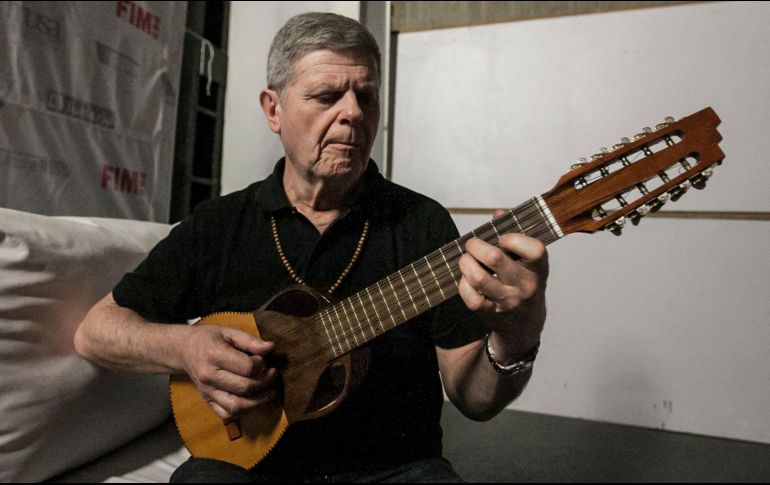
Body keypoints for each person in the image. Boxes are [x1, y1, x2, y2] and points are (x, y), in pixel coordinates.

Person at [74, 12, 548, 483]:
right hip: (244, 465)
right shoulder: (219, 224)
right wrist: (185, 347)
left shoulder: (423, 224)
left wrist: (518, 333)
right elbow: (96, 331)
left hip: (395, 468)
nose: (353, 113)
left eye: (366, 96)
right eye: (326, 96)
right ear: (273, 110)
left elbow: (475, 401)